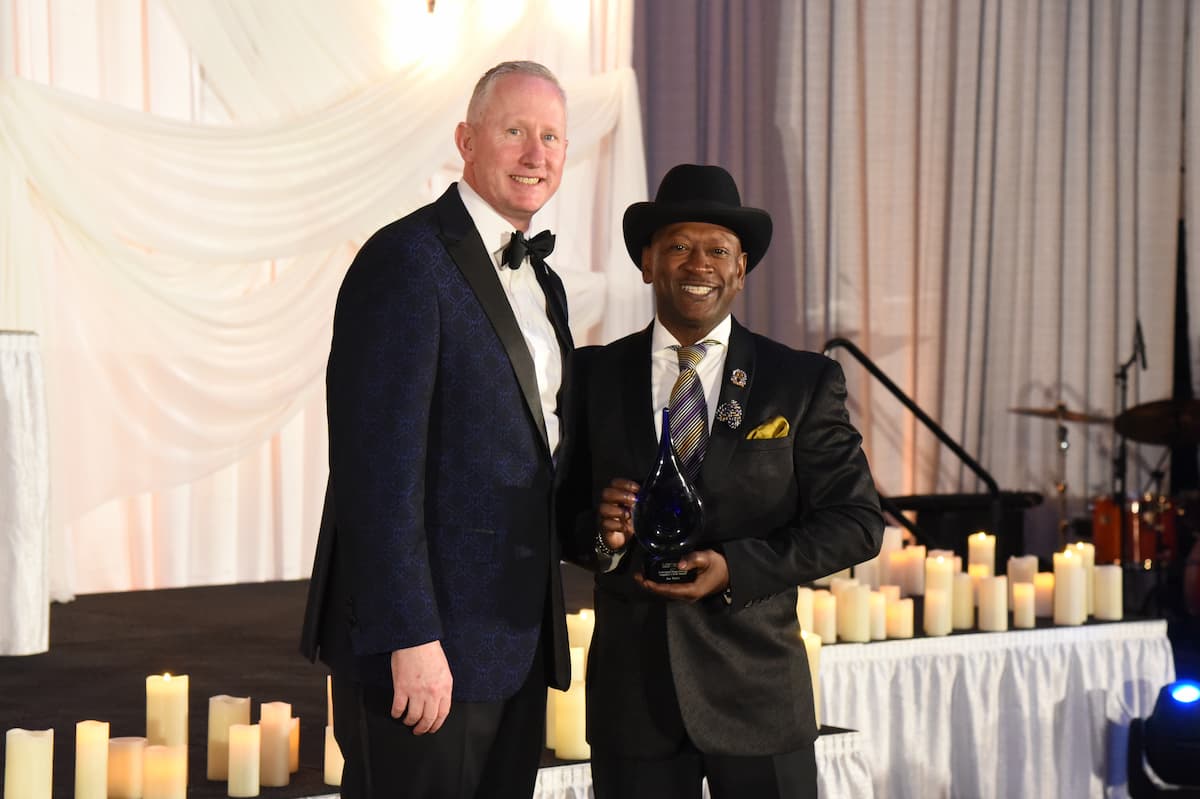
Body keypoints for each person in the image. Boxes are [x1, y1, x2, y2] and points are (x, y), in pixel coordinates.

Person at [560, 164, 884, 799]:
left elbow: (857, 522)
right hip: (634, 703)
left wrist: (738, 568)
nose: (697, 264)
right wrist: (603, 539)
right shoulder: (591, 376)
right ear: (647, 261)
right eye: (678, 246)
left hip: (759, 697)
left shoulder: (802, 380)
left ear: (741, 269)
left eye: (717, 251)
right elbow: (558, 515)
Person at [300, 61, 574, 799]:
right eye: (515, 131)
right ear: (467, 139)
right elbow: (375, 473)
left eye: (551, 136)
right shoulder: (407, 260)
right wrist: (410, 637)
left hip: (514, 642)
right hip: (429, 650)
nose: (535, 153)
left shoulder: (543, 284)